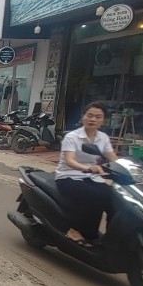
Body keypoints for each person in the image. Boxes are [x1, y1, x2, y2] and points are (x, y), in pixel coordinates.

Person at [55, 102, 119, 244]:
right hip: (68, 176)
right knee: (95, 197)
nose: (93, 119)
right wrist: (88, 168)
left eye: (98, 117)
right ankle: (80, 232)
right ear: (83, 117)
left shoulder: (103, 138)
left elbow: (113, 158)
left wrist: (130, 168)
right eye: (90, 115)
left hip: (92, 177)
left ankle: (114, 238)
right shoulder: (72, 137)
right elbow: (69, 160)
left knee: (115, 199)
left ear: (103, 120)